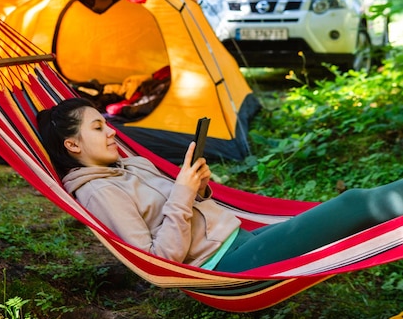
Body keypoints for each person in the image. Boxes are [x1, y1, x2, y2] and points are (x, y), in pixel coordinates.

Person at [37, 98, 403, 272]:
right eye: (98, 127)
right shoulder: (98, 192)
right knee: (355, 204)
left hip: (242, 236)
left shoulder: (132, 162)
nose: (111, 131)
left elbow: (182, 207)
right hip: (224, 264)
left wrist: (198, 188)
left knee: (350, 212)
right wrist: (181, 194)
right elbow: (159, 259)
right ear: (72, 145)